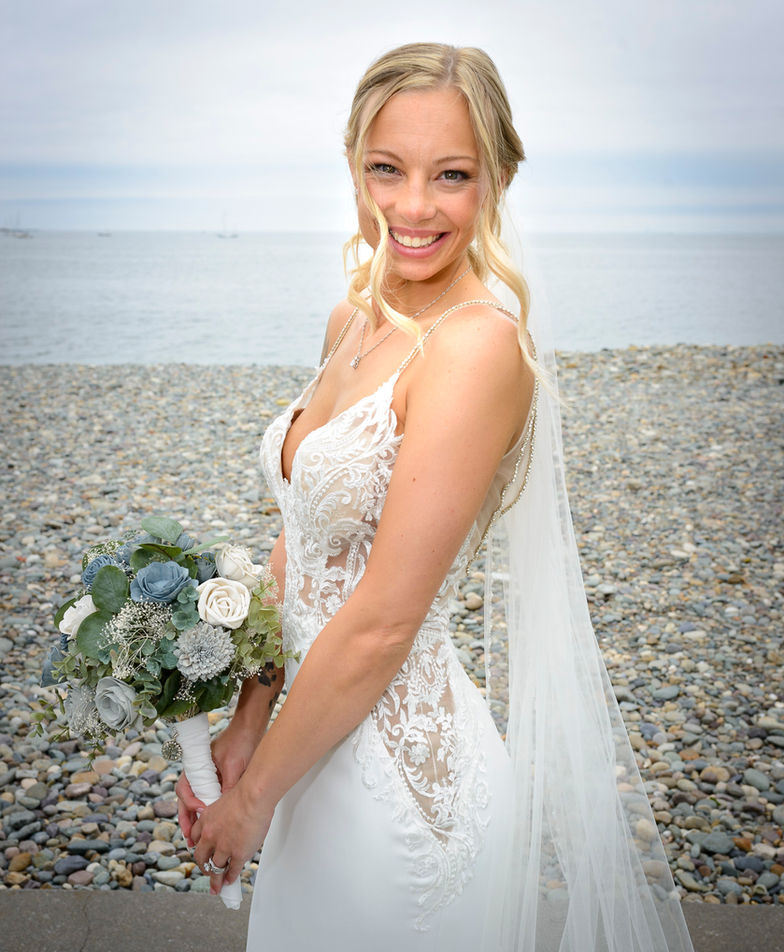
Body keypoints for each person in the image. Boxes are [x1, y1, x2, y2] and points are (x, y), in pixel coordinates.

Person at [176, 43, 695, 952]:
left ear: (496, 179)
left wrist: (252, 805)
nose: (413, 207)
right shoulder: (353, 317)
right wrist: (248, 724)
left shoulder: (477, 350)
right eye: (387, 169)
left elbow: (382, 618)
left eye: (450, 175)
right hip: (307, 753)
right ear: (352, 166)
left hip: (399, 793)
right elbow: (299, 538)